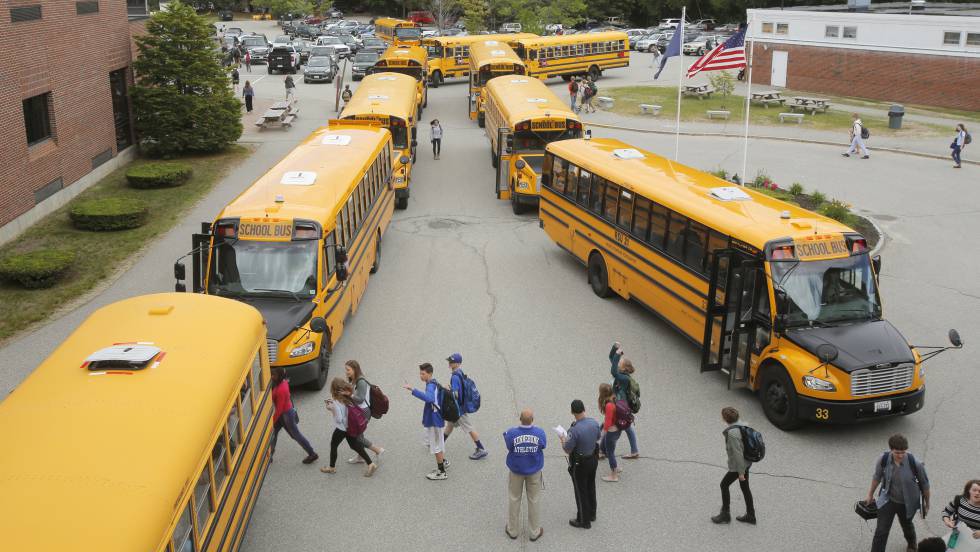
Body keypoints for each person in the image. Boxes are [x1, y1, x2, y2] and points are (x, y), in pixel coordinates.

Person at [866, 433, 931, 552]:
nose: (901, 455)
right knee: (881, 531)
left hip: (907, 503)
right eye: (897, 452)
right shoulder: (883, 459)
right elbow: (877, 477)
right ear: (891, 450)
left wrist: (927, 504)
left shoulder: (915, 464)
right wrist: (870, 494)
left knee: (907, 526)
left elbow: (925, 485)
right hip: (887, 500)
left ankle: (912, 544)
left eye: (903, 452)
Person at [503, 408, 546, 541]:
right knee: (534, 500)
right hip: (534, 471)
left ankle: (513, 530)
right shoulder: (539, 433)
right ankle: (534, 531)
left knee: (514, 498)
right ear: (532, 419)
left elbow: (509, 445)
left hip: (516, 471)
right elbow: (543, 445)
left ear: (520, 419)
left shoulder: (512, 433)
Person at [320, 378, 377, 476]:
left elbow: (339, 419)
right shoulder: (347, 396)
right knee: (354, 445)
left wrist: (331, 409)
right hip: (350, 426)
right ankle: (371, 464)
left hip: (342, 428)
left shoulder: (336, 402)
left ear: (333, 389)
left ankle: (331, 468)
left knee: (334, 445)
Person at [403, 362, 449, 480]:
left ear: (429, 373)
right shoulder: (434, 383)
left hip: (434, 420)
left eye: (422, 374)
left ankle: (441, 472)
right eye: (420, 373)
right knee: (433, 443)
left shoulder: (430, 386)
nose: (420, 376)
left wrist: (413, 390)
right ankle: (443, 462)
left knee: (435, 446)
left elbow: (429, 398)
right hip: (435, 418)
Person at [561, 399, 601, 529]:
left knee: (580, 491)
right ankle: (592, 513)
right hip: (593, 459)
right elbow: (598, 437)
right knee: (591, 486)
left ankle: (583, 520)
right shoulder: (594, 423)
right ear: (584, 409)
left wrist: (563, 439)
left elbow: (567, 449)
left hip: (580, 463)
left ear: (572, 412)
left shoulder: (574, 430)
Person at [711, 406, 755, 524]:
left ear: (725, 419)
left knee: (724, 485)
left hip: (739, 466)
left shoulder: (732, 433)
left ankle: (725, 514)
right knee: (745, 488)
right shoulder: (743, 425)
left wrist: (740, 473)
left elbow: (738, 454)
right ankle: (751, 515)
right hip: (747, 462)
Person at [269, 367, 318, 464]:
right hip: (285, 414)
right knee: (273, 433)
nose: (272, 377)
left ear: (279, 376)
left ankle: (312, 454)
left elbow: (279, 409)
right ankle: (269, 455)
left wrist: (272, 420)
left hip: (286, 415)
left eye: (274, 375)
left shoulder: (281, 389)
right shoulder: (282, 382)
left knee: (296, 435)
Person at [444, 352, 487, 459]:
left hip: (458, 409)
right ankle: (439, 444)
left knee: (469, 428)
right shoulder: (460, 372)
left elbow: (455, 394)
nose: (450, 363)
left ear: (458, 363)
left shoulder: (454, 377)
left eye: (452, 361)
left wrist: (447, 390)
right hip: (460, 407)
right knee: (450, 425)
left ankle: (481, 448)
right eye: (449, 360)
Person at [344, 360, 385, 465]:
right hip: (358, 410)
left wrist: (349, 395)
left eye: (348, 370)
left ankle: (378, 450)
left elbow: (360, 399)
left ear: (354, 369)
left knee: (358, 437)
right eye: (346, 369)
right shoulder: (354, 379)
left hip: (363, 412)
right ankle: (360, 456)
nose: (346, 372)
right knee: (359, 435)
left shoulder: (360, 381)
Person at [608, 342, 640, 460]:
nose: (618, 361)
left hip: (621, 406)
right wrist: (615, 348)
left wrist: (617, 355)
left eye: (620, 362)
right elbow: (612, 358)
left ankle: (602, 450)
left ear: (624, 368)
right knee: (626, 427)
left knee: (612, 425)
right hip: (620, 404)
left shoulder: (624, 378)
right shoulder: (620, 372)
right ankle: (634, 451)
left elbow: (613, 372)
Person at [941, 479, 980, 545]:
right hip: (957, 538)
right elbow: (946, 512)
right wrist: (947, 521)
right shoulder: (960, 500)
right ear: (968, 490)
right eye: (974, 490)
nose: (977, 493)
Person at [597, 383, 621, 482]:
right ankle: (616, 467)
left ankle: (614, 475)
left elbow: (607, 423)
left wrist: (601, 434)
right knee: (610, 449)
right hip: (618, 429)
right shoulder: (615, 398)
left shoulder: (609, 405)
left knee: (610, 453)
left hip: (612, 431)